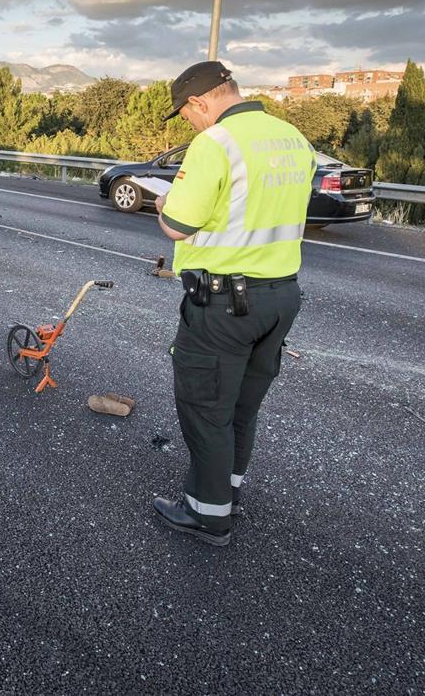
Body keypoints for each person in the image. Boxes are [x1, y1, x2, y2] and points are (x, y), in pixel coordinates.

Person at [151, 60, 314, 548]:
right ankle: (228, 492)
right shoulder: (292, 138)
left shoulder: (215, 144)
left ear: (201, 101)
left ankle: (207, 515)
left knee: (205, 407)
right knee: (243, 404)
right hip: (281, 294)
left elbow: (179, 225)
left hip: (224, 303)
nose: (190, 123)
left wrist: (163, 206)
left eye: (186, 114)